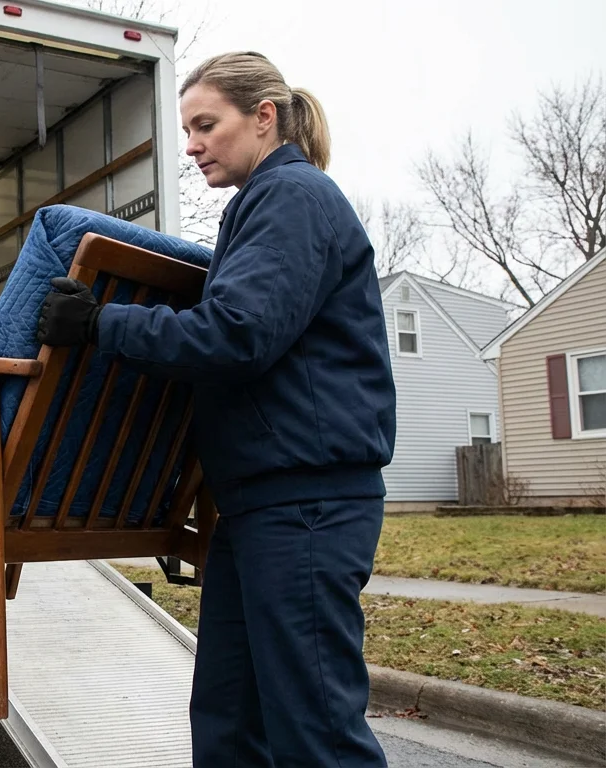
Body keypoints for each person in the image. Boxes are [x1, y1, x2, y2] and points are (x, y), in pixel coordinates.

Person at [36, 52, 395, 767]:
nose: (192, 144)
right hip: (254, 507)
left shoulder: (293, 198)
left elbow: (237, 334)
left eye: (206, 125)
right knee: (231, 724)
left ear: (264, 117)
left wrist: (103, 324)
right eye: (187, 129)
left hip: (306, 506)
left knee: (316, 735)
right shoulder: (257, 205)